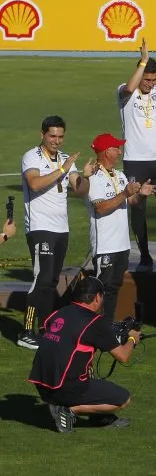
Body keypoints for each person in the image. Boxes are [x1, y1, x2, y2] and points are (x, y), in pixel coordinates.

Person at [20, 115, 97, 349]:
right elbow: (34, 184)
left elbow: (79, 188)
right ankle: (26, 331)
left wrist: (86, 176)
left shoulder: (65, 159)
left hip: (61, 228)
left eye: (60, 136)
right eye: (52, 136)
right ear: (42, 134)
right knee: (40, 279)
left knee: (51, 281)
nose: (56, 141)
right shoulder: (31, 156)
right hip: (40, 227)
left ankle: (45, 328)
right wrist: (63, 169)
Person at [28, 277, 139, 433]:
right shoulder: (94, 322)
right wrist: (133, 338)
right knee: (123, 399)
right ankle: (68, 411)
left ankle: (98, 416)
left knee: (86, 367)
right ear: (97, 297)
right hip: (63, 388)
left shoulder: (60, 312)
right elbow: (123, 356)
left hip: (42, 384)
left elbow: (65, 339)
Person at [117, 39, 156, 272]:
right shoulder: (125, 92)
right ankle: (144, 256)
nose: (150, 84)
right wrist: (143, 61)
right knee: (138, 208)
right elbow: (129, 87)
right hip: (135, 160)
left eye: (153, 80)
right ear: (140, 73)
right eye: (147, 79)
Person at [88, 133, 155, 320]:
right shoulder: (94, 177)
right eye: (116, 148)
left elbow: (131, 200)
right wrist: (125, 193)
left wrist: (141, 194)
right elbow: (101, 208)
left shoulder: (119, 175)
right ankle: (94, 327)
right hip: (105, 246)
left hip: (122, 244)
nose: (120, 151)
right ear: (106, 151)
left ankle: (106, 326)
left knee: (114, 287)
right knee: (101, 290)